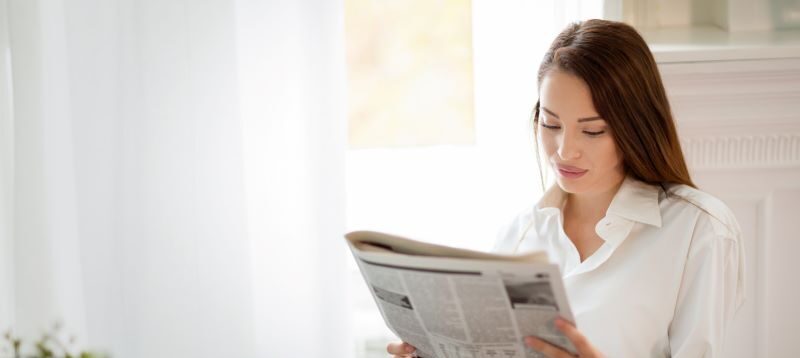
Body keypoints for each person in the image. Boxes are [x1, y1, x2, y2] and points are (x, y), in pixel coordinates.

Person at [387, 19, 744, 358]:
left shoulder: (699, 231)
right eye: (550, 123)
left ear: (635, 127)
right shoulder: (519, 234)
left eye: (592, 131)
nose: (564, 150)